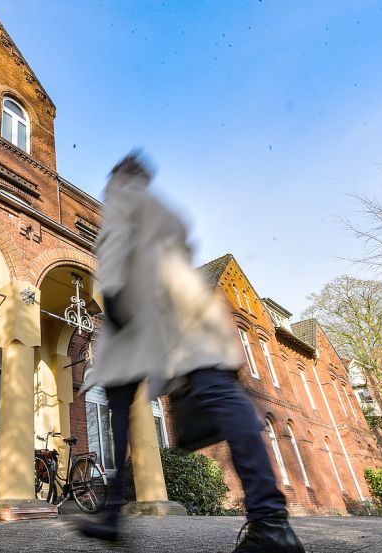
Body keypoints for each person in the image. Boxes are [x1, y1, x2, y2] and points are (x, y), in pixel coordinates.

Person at [78, 152, 304, 553]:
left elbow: (114, 265)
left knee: (122, 408)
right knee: (210, 393)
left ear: (119, 178)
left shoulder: (122, 203)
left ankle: (269, 523)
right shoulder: (163, 208)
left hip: (147, 310)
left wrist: (116, 312)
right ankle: (270, 520)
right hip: (181, 301)